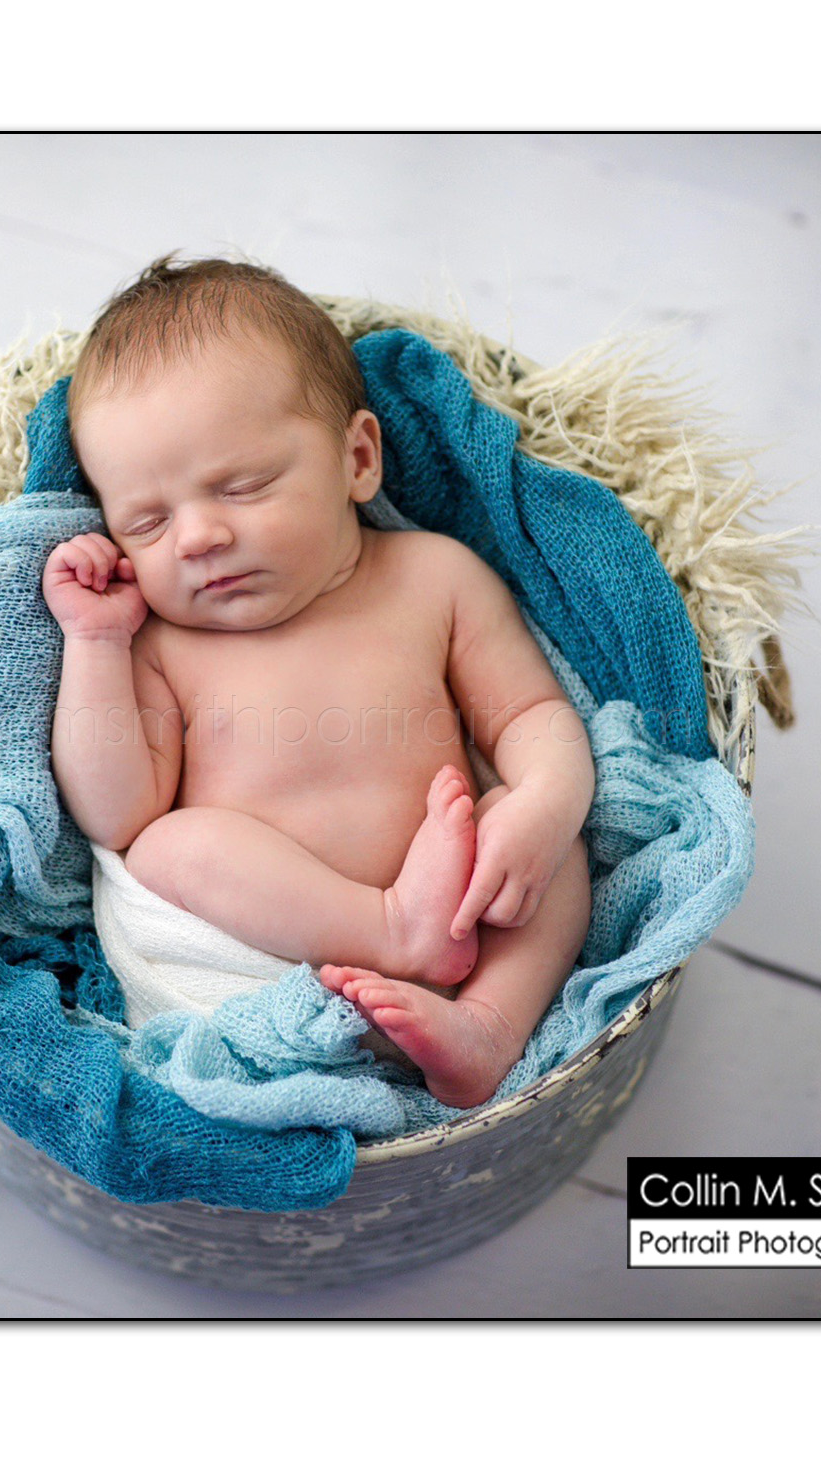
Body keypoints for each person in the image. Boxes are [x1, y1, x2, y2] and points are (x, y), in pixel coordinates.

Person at [42, 256, 593, 1109]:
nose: (196, 537)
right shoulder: (161, 642)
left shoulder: (431, 578)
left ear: (358, 459)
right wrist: (95, 640)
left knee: (552, 846)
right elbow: (116, 815)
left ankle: (487, 1028)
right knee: (167, 847)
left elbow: (529, 714)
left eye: (243, 486)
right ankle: (391, 930)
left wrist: (544, 805)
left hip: (469, 923)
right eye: (146, 522)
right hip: (266, 969)